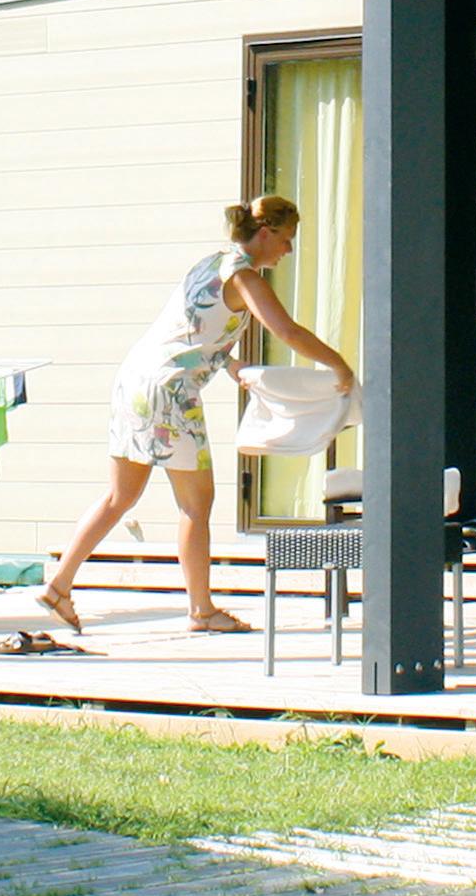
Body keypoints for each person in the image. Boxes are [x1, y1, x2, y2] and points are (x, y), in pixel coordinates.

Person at [33, 195, 356, 635]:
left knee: (119, 497)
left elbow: (193, 328)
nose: (289, 250)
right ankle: (201, 611)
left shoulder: (210, 263)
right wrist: (339, 365)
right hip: (172, 393)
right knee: (196, 505)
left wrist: (229, 363)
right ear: (265, 233)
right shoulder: (245, 278)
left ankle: (59, 585)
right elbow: (287, 331)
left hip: (136, 381)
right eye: (286, 239)